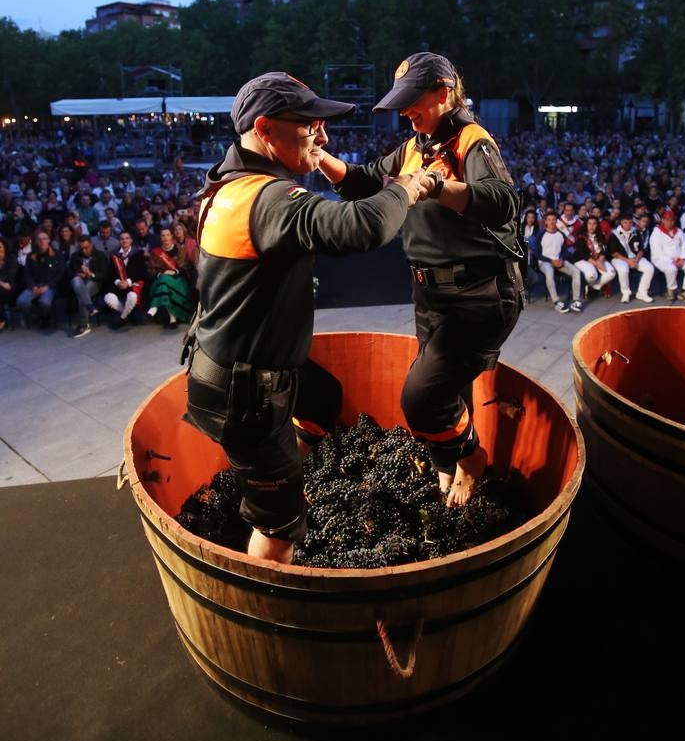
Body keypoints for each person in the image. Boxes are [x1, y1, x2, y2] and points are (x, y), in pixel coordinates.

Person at [184, 71, 426, 565]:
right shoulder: (267, 198)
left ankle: (286, 477)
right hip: (243, 395)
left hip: (237, 370)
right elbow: (363, 226)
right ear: (267, 129)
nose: (323, 134)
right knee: (279, 531)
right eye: (310, 124)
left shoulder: (225, 184)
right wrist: (406, 185)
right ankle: (265, 591)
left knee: (324, 398)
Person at [317, 52, 524, 507]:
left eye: (414, 101)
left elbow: (502, 200)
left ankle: (470, 460)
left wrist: (434, 186)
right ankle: (446, 468)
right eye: (402, 102)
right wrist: (318, 156)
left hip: (478, 294)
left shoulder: (472, 141)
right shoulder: (414, 147)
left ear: (444, 92)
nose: (406, 111)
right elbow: (364, 180)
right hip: (430, 293)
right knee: (451, 388)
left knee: (421, 397)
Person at [533, 212, 584, 313]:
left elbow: (564, 251)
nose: (552, 222)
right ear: (546, 222)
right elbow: (537, 253)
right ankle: (556, 302)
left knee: (576, 272)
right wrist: (551, 261)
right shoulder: (541, 234)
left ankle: (575, 300)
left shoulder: (561, 234)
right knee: (549, 273)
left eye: (553, 219)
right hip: (544, 261)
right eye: (549, 220)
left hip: (559, 260)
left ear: (556, 221)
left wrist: (561, 259)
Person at [146, 228, 194, 328]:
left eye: (168, 235)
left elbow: (187, 267)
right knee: (163, 281)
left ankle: (154, 306)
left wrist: (175, 271)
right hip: (160, 280)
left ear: (172, 236)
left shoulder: (180, 250)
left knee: (163, 281)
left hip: (178, 281)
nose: (165, 238)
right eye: (163, 235)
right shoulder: (155, 252)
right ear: (160, 238)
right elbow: (151, 269)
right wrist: (162, 273)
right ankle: (173, 318)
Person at [16, 230, 65, 327]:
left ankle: (46, 317)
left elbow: (61, 273)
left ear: (49, 240)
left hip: (50, 286)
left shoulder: (57, 254)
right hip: (35, 285)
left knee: (45, 302)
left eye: (44, 239)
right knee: (21, 302)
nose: (42, 241)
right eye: (39, 240)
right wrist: (33, 286)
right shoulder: (31, 256)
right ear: (36, 242)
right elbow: (27, 274)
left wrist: (47, 287)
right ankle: (37, 317)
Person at [650, 208, 685, 302]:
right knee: (671, 268)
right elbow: (657, 252)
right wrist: (672, 261)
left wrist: (683, 259)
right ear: (662, 220)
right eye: (667, 220)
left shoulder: (679, 231)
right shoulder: (656, 232)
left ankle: (684, 291)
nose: (670, 222)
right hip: (661, 259)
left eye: (672, 220)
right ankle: (671, 290)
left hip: (679, 259)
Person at [609, 213, 655, 303]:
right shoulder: (614, 234)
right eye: (625, 222)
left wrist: (636, 261)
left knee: (649, 268)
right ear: (621, 222)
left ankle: (642, 292)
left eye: (630, 223)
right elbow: (614, 253)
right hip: (620, 259)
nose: (628, 225)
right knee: (623, 270)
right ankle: (626, 293)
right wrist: (628, 261)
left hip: (635, 258)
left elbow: (641, 250)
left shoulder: (636, 232)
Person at [69, 235, 109, 337]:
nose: (84, 250)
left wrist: (90, 274)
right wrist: (79, 274)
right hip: (79, 282)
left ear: (91, 244)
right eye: (81, 248)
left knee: (82, 293)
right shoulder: (75, 256)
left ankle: (84, 325)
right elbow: (70, 273)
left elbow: (104, 274)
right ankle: (90, 308)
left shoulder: (100, 255)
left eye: (86, 248)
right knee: (76, 281)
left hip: (94, 282)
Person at [104, 230, 147, 324]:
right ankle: (126, 313)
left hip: (132, 284)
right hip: (119, 285)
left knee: (132, 296)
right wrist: (118, 282)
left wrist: (128, 282)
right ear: (119, 241)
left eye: (127, 238)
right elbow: (111, 273)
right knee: (108, 297)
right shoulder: (114, 255)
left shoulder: (138, 253)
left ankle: (122, 318)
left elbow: (141, 272)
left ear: (131, 240)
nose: (124, 241)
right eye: (122, 239)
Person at [573, 216, 616, 294]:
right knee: (592, 276)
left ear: (597, 225)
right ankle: (590, 284)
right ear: (586, 225)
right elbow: (582, 253)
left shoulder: (600, 235)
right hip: (583, 259)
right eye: (589, 224)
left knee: (611, 273)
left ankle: (594, 287)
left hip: (598, 258)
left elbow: (603, 250)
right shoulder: (581, 236)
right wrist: (597, 264)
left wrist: (601, 260)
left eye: (594, 224)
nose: (591, 226)